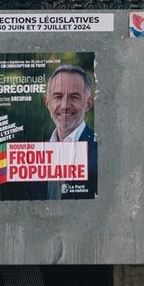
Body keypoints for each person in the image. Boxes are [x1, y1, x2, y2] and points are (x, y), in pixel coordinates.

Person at [42, 64, 97, 199]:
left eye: (74, 97)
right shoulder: (37, 152)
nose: (65, 105)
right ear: (47, 102)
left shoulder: (101, 150)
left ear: (88, 104)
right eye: (58, 96)